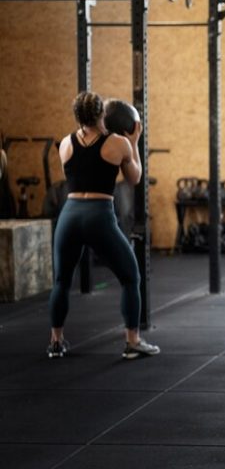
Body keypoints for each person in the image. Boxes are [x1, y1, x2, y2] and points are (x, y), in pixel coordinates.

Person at [47, 92, 160, 360]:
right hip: (99, 215)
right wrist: (134, 144)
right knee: (131, 276)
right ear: (102, 115)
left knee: (61, 281)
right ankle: (132, 342)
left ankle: (56, 341)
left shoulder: (65, 144)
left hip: (70, 215)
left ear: (77, 116)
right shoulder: (117, 143)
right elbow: (134, 178)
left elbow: (75, 177)